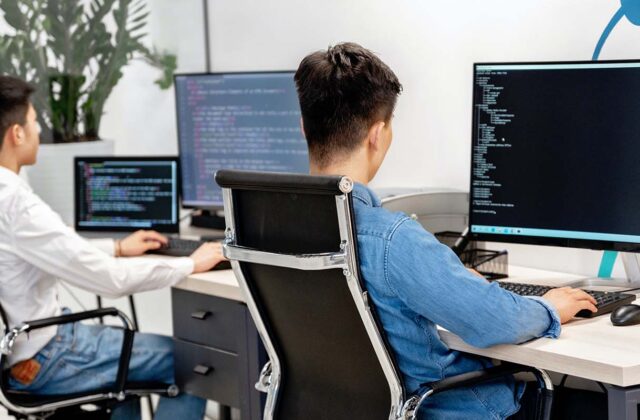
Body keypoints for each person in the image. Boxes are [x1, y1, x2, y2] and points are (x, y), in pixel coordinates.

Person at [293, 43, 600, 419]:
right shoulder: (392, 238)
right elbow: (492, 321)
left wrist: (457, 281)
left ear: (303, 126)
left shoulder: (274, 230)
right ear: (378, 133)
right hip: (443, 410)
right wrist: (550, 307)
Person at [0, 75, 225, 419]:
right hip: (47, 355)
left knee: (131, 372)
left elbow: (51, 249)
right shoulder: (16, 203)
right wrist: (190, 263)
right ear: (17, 134)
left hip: (25, 348)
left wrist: (118, 247)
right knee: (191, 363)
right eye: (33, 124)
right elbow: (110, 281)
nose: (37, 135)